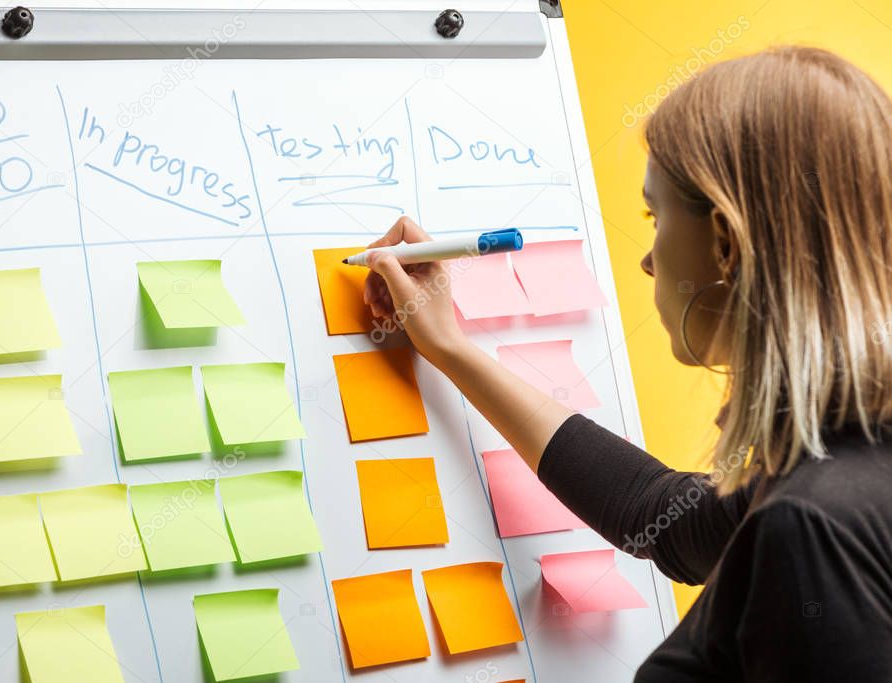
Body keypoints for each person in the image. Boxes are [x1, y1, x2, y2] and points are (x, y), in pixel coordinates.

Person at [363, 46, 892, 682]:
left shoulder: (811, 527)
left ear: (725, 242)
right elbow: (663, 517)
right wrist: (449, 347)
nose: (648, 260)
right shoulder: (844, 467)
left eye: (655, 214)